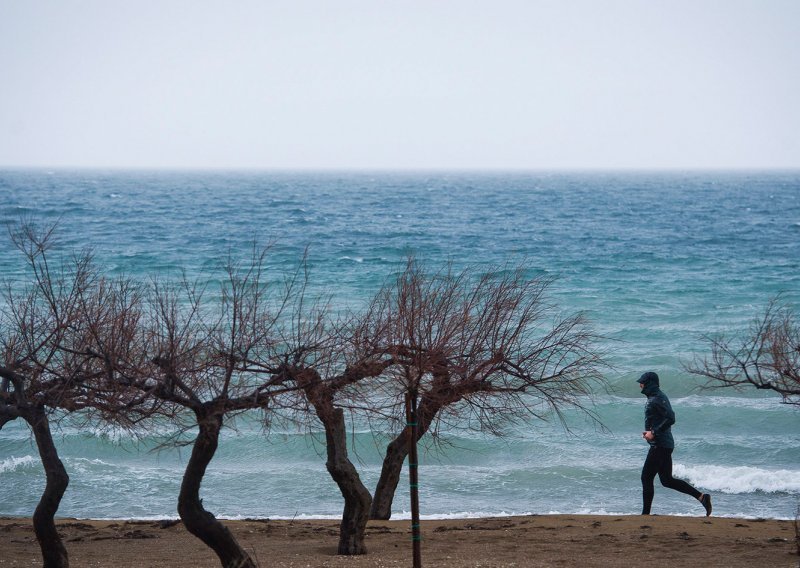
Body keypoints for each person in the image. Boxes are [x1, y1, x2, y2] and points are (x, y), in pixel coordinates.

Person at [638, 371, 712, 516]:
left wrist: (654, 433)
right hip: (662, 444)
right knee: (667, 480)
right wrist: (650, 433)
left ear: (649, 383)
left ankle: (645, 515)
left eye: (642, 382)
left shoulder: (658, 398)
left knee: (646, 477)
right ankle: (702, 497)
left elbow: (671, 418)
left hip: (660, 445)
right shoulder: (654, 397)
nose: (640, 385)